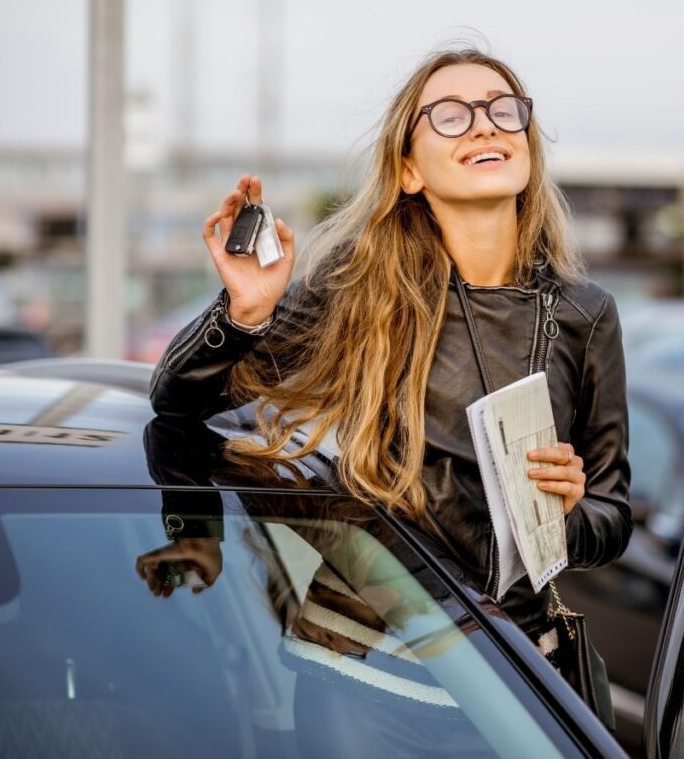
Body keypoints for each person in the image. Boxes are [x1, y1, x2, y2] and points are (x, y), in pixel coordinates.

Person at [150, 47, 631, 655]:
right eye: (452, 115)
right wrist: (245, 311)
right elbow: (176, 405)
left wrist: (566, 511)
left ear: (527, 147)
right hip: (356, 662)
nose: (485, 123)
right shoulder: (355, 289)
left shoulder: (586, 315)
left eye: (504, 111)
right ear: (410, 171)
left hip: (511, 679)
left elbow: (611, 524)